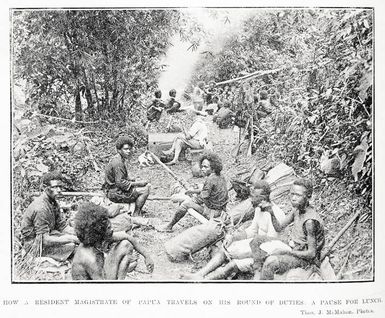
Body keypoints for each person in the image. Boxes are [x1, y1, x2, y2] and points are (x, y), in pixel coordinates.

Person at [181, 180, 285, 280]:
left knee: (231, 258)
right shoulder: (259, 208)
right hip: (256, 245)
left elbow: (271, 245)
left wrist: (244, 253)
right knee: (226, 248)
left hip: (266, 253)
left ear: (262, 199)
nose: (250, 200)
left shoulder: (276, 214)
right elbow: (251, 231)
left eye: (253, 197)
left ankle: (205, 279)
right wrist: (233, 237)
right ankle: (199, 274)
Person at [256, 179, 325, 280]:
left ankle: (266, 289)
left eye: (298, 195)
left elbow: (311, 254)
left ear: (308, 196)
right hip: (294, 248)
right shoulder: (296, 210)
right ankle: (256, 273)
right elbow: (279, 228)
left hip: (305, 259)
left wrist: (286, 252)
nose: (293, 198)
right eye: (292, 194)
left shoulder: (310, 222)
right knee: (257, 240)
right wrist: (271, 212)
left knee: (270, 262)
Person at [71, 202, 154, 280]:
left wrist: (147, 256)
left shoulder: (99, 238)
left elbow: (128, 237)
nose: (113, 229)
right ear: (99, 232)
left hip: (100, 276)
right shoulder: (90, 259)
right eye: (109, 228)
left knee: (126, 245)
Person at [159, 152, 228, 232]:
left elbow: (200, 200)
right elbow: (210, 192)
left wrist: (184, 198)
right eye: (202, 166)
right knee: (189, 198)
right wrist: (193, 191)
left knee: (185, 204)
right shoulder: (220, 176)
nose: (202, 169)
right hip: (221, 211)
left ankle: (169, 226)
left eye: (206, 167)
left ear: (213, 168)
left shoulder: (210, 180)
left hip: (213, 214)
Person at [20, 171, 79, 262]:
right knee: (76, 249)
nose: (59, 190)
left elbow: (62, 226)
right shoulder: (41, 208)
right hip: (35, 245)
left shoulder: (53, 202)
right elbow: (44, 240)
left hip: (48, 236)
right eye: (55, 187)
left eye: (60, 187)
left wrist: (80, 234)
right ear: (45, 188)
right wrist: (72, 239)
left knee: (79, 243)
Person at [103, 136, 151, 216]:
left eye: (129, 149)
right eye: (125, 149)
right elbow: (121, 183)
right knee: (145, 190)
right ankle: (136, 214)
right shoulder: (118, 163)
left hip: (114, 189)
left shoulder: (118, 159)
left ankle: (135, 210)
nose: (128, 151)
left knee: (140, 185)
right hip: (114, 193)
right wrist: (139, 183)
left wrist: (132, 180)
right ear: (119, 150)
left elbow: (120, 178)